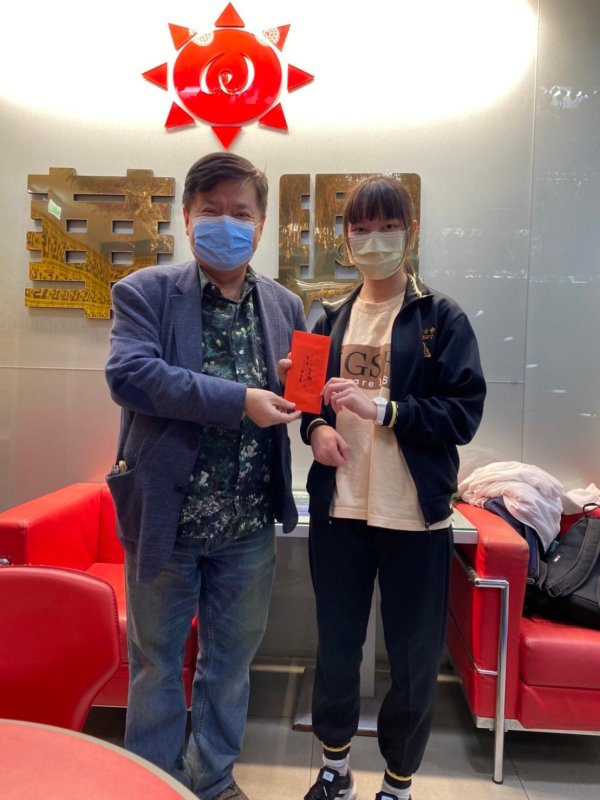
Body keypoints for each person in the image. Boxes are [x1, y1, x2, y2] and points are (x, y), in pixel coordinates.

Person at [105, 152, 306, 800]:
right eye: (210, 210)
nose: (226, 222)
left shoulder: (285, 304)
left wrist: (308, 405)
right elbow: (130, 375)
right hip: (167, 519)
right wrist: (239, 399)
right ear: (187, 219)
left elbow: (299, 397)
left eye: (240, 212)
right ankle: (155, 785)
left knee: (230, 666)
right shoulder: (145, 292)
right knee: (157, 664)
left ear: (261, 224)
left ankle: (213, 780)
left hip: (248, 524)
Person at [300, 176, 486, 800]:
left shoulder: (441, 318)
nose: (373, 240)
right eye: (361, 229)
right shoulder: (328, 317)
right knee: (336, 648)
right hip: (340, 512)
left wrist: (386, 410)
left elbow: (462, 413)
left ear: (411, 232)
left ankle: (398, 783)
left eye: (387, 227)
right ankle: (334, 771)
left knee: (412, 658)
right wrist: (317, 430)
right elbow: (307, 404)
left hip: (414, 517)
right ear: (345, 238)